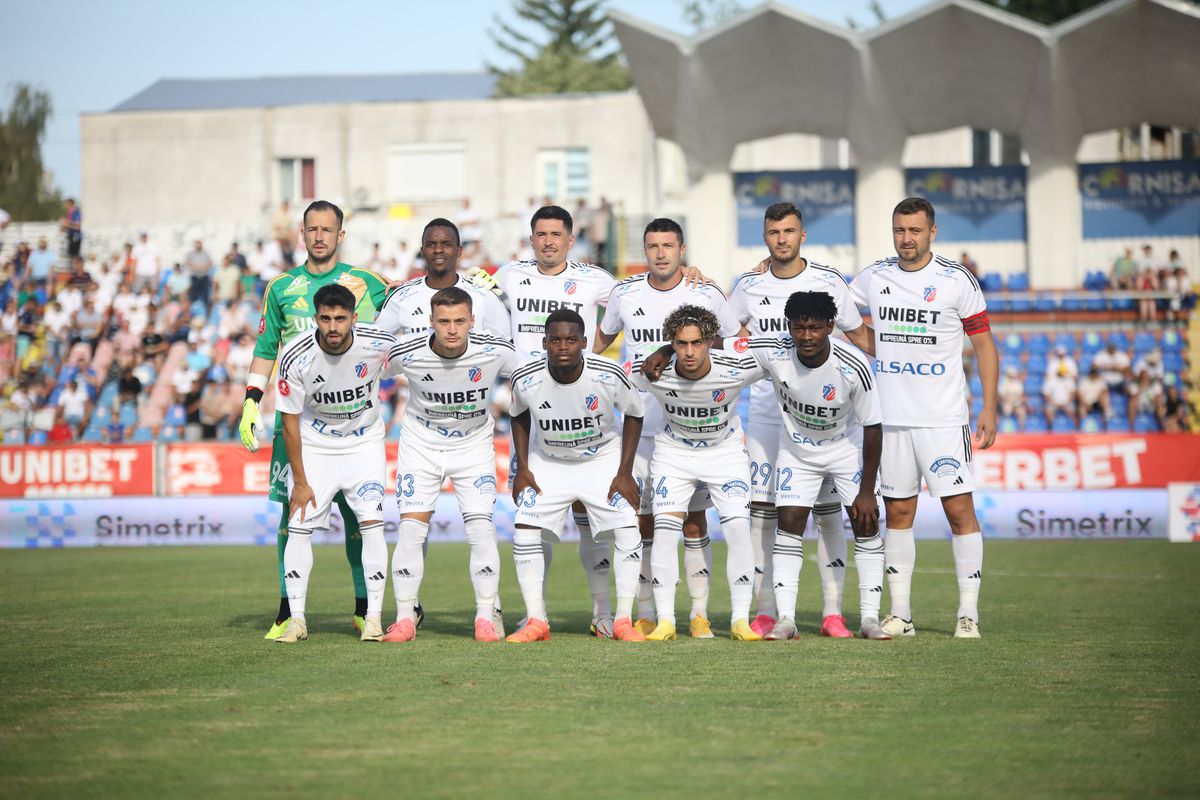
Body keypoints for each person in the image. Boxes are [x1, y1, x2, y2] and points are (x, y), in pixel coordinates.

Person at [239, 200, 391, 640]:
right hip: (298, 421)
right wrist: (251, 400)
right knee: (295, 517)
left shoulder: (367, 284)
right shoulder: (281, 287)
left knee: (357, 518)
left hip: (353, 423)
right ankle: (288, 612)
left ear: (340, 236)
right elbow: (267, 347)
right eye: (312, 229)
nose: (320, 236)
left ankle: (366, 608)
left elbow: (410, 308)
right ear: (301, 235)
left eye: (328, 229)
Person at [848, 196, 998, 639]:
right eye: (899, 230)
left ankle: (967, 614)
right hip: (891, 419)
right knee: (897, 513)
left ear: (933, 231)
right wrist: (873, 342)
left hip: (943, 418)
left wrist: (988, 406)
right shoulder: (875, 276)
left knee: (958, 511)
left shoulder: (956, 280)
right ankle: (902, 615)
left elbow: (985, 345)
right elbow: (835, 307)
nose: (906, 238)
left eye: (915, 230)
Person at [592, 218, 746, 638]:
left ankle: (698, 614)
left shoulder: (705, 292)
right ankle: (646, 611)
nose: (660, 253)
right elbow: (599, 343)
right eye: (653, 245)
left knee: (694, 523)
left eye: (668, 245)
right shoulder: (625, 292)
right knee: (641, 523)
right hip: (637, 428)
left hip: (691, 427)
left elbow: (735, 342)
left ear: (682, 249)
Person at [730, 201, 874, 639]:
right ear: (765, 237)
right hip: (767, 418)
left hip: (824, 424)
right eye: (774, 232)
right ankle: (767, 610)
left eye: (789, 231)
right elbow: (720, 333)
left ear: (802, 235)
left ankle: (833, 613)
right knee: (763, 513)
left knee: (829, 512)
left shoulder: (828, 281)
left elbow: (857, 336)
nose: (782, 239)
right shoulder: (749, 284)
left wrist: (902, 358)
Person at [380, 287, 514, 643]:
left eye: (459, 321)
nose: (452, 329)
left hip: (473, 446)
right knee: (411, 531)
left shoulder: (495, 349)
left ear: (472, 320)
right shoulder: (407, 351)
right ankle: (405, 618)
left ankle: (485, 617)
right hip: (420, 445)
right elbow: (366, 368)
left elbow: (532, 375)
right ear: (431, 322)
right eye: (444, 322)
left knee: (481, 529)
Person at [506, 308, 646, 642]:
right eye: (555, 340)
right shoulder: (526, 378)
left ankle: (623, 620)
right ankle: (536, 621)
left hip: (601, 458)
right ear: (545, 343)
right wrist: (523, 469)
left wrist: (625, 471)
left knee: (627, 528)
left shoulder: (608, 373)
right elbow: (518, 414)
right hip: (549, 460)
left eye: (571, 339)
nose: (563, 346)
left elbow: (635, 414)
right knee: (525, 529)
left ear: (584, 342)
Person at [272, 283, 400, 643]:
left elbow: (418, 354)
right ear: (315, 317)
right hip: (317, 446)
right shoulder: (296, 355)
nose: (332, 326)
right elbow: (289, 421)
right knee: (299, 527)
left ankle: (373, 618)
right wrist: (299, 481)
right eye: (325, 318)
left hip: (365, 445)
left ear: (353, 318)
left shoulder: (378, 342)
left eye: (340, 319)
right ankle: (296, 620)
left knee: (372, 525)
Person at [634, 305, 765, 641]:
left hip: (725, 454)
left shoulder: (737, 367)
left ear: (710, 342)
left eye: (696, 343)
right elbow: (611, 382)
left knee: (737, 527)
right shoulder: (653, 370)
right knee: (664, 532)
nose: (688, 352)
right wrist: (659, 353)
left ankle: (739, 621)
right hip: (673, 454)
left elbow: (778, 352)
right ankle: (665, 621)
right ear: (671, 344)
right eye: (679, 344)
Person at [375, 219, 509, 339]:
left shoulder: (483, 294)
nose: (438, 249)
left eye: (446, 244)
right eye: (431, 244)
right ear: (422, 252)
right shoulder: (401, 296)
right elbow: (375, 344)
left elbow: (505, 346)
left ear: (459, 251)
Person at [1043, 362, 1078, 428]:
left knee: (1073, 413)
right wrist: (1053, 402)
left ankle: (1076, 429)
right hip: (1053, 402)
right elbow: (1046, 395)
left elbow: (1073, 394)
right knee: (1048, 411)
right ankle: (1050, 429)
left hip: (1066, 403)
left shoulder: (1069, 380)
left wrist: (1067, 402)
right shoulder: (1051, 381)